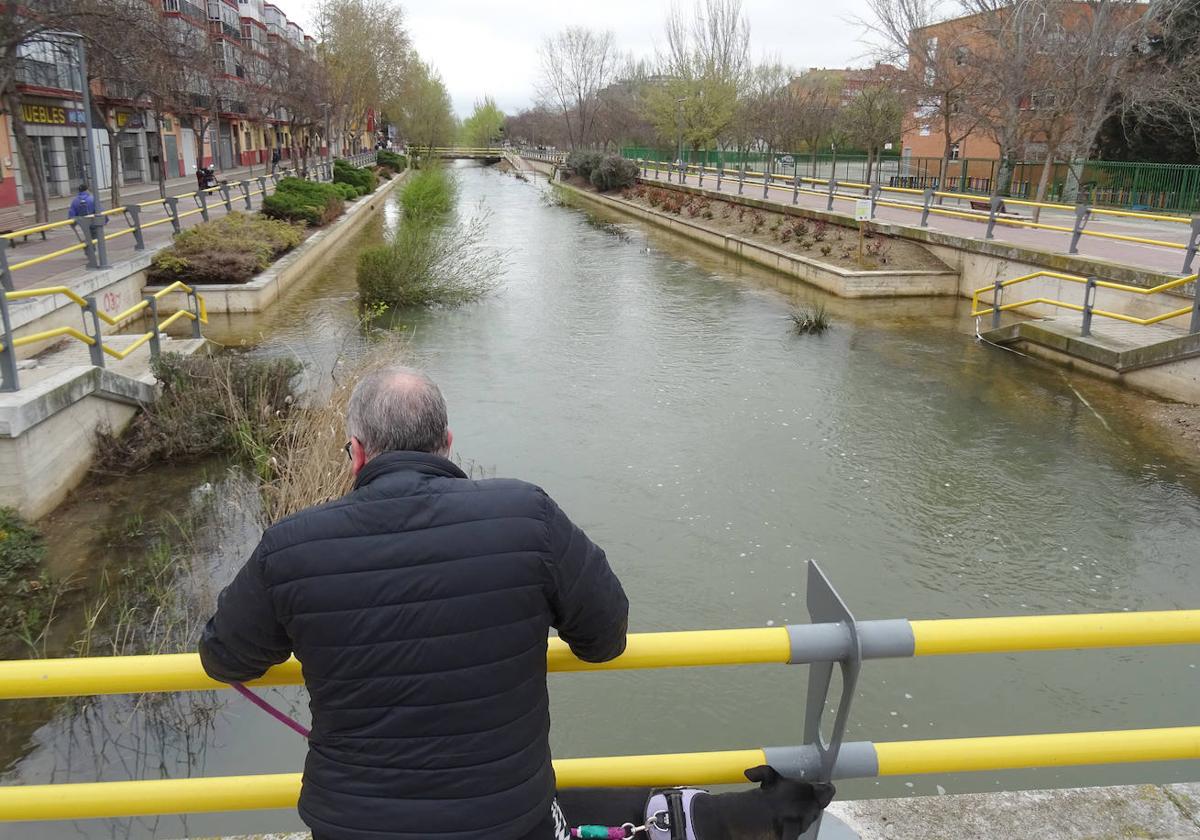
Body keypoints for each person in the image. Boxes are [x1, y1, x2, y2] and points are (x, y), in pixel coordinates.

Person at [199, 366, 629, 840]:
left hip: (354, 825)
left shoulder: (291, 545)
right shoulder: (529, 515)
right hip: (506, 819)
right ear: (446, 442)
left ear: (357, 452)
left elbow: (224, 658)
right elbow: (604, 639)